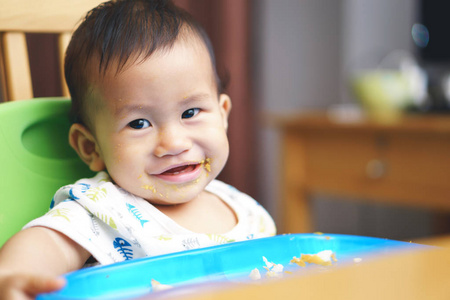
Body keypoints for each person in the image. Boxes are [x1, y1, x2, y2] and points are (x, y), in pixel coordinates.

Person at [0, 0, 276, 298]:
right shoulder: (103, 209)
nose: (173, 143)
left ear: (222, 114)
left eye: (190, 112)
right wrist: (12, 276)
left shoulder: (246, 210)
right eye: (139, 123)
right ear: (90, 147)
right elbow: (49, 243)